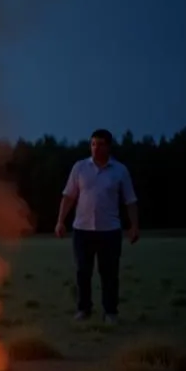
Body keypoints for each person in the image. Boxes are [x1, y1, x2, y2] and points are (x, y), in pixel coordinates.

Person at [55, 128, 139, 323]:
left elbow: (131, 200)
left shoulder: (120, 170)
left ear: (109, 146)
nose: (96, 148)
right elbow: (68, 196)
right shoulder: (80, 168)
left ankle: (110, 312)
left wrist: (134, 226)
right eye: (93, 144)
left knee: (109, 273)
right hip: (82, 230)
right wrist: (60, 221)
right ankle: (84, 309)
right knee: (82, 272)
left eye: (100, 144)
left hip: (109, 230)